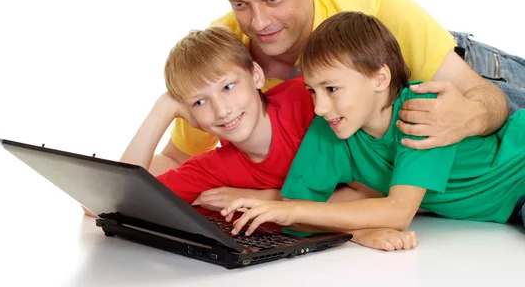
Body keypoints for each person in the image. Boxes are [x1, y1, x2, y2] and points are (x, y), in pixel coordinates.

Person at [153, 0, 525, 174]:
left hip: (477, 70)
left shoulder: (378, 7)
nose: (259, 22)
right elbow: (174, 160)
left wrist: (470, 117)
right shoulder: (224, 59)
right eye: (240, 5)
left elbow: (486, 98)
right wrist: (163, 110)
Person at [219, 11, 525, 245]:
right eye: (313, 91)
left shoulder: (421, 110)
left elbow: (398, 212)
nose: (320, 107)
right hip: (506, 210)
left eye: (332, 89)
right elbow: (299, 209)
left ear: (380, 79)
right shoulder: (330, 128)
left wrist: (293, 212)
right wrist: (358, 232)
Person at [103, 25, 420, 250]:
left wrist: (264, 200)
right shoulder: (213, 169)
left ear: (256, 75)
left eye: (228, 87)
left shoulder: (310, 101)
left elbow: (372, 189)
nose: (222, 109)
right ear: (191, 116)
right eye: (200, 102)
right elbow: (111, 204)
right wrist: (161, 110)